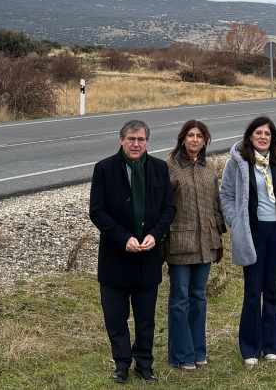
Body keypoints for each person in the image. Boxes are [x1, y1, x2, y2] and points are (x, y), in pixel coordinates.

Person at [88, 120, 175, 384]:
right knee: (116, 318)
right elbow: (97, 211)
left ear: (147, 142)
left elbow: (168, 209)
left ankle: (144, 364)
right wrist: (122, 238)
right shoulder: (104, 169)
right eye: (131, 139)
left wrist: (155, 235)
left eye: (141, 139)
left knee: (145, 318)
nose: (136, 144)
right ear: (121, 140)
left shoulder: (159, 169)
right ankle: (122, 364)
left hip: (148, 257)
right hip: (115, 258)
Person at [219, 116, 276, 367]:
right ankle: (250, 348)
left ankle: (272, 345)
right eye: (258, 133)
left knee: (274, 290)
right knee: (253, 291)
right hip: (252, 233)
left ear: (273, 137)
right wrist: (235, 221)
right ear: (250, 136)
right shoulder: (238, 162)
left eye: (267, 133)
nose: (263, 137)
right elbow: (226, 194)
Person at [165, 120, 224, 371]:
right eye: (190, 135)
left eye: (200, 136)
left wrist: (218, 236)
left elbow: (216, 204)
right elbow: (163, 205)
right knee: (180, 299)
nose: (195, 139)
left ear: (205, 140)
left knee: (199, 298)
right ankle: (181, 355)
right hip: (180, 242)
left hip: (206, 243)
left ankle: (198, 351)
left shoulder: (208, 168)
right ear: (182, 138)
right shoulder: (170, 167)